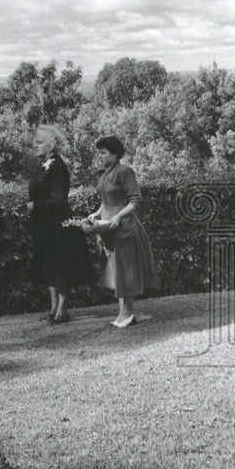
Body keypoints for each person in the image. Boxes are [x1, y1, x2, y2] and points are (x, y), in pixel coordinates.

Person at [87, 135, 159, 327]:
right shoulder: (103, 174)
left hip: (124, 227)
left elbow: (135, 200)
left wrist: (118, 217)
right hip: (107, 228)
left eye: (103, 153)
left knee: (127, 271)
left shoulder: (125, 171)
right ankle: (122, 314)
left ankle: (127, 313)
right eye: (99, 153)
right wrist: (96, 214)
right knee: (116, 272)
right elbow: (105, 202)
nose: (99, 156)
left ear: (115, 153)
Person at [28, 124, 91, 324]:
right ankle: (53, 307)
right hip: (45, 225)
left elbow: (58, 199)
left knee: (59, 265)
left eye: (39, 142)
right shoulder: (44, 164)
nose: (35, 145)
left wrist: (35, 205)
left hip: (58, 224)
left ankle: (62, 310)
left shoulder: (57, 166)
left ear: (51, 145)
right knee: (48, 265)